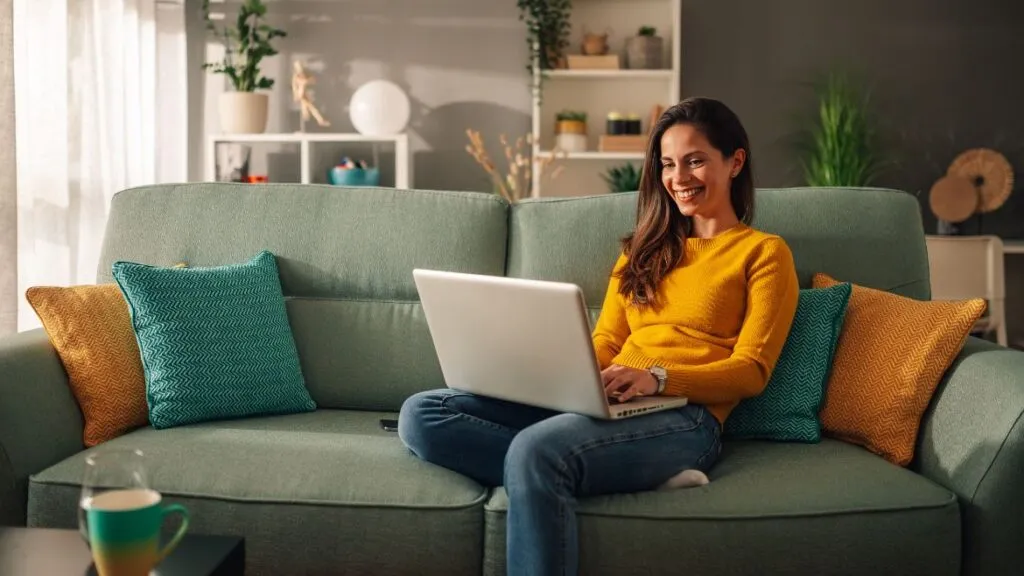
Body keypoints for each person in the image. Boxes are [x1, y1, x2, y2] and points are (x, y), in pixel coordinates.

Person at [397, 97, 800, 576]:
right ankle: (617, 474)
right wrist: (561, 376)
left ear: (735, 161)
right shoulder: (642, 252)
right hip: (605, 397)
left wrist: (657, 378)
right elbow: (607, 340)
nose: (679, 178)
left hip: (687, 417)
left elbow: (751, 372)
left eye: (695, 161)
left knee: (537, 450)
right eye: (668, 164)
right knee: (423, 413)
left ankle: (568, 464)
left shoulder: (763, 253)